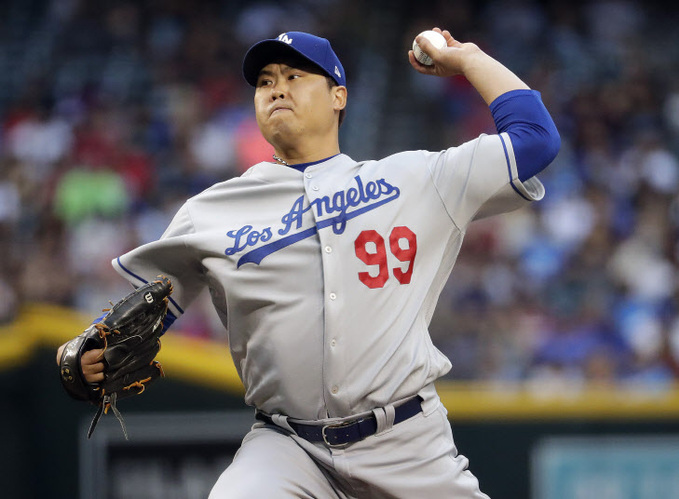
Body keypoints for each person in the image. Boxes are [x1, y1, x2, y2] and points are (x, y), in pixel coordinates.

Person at [58, 28, 560, 497]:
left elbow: (536, 138)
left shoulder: (417, 179)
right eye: (265, 82)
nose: (277, 88)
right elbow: (132, 323)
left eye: (295, 76)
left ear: (338, 96)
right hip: (286, 446)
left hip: (408, 442)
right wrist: (83, 355)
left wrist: (467, 57)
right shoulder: (210, 211)